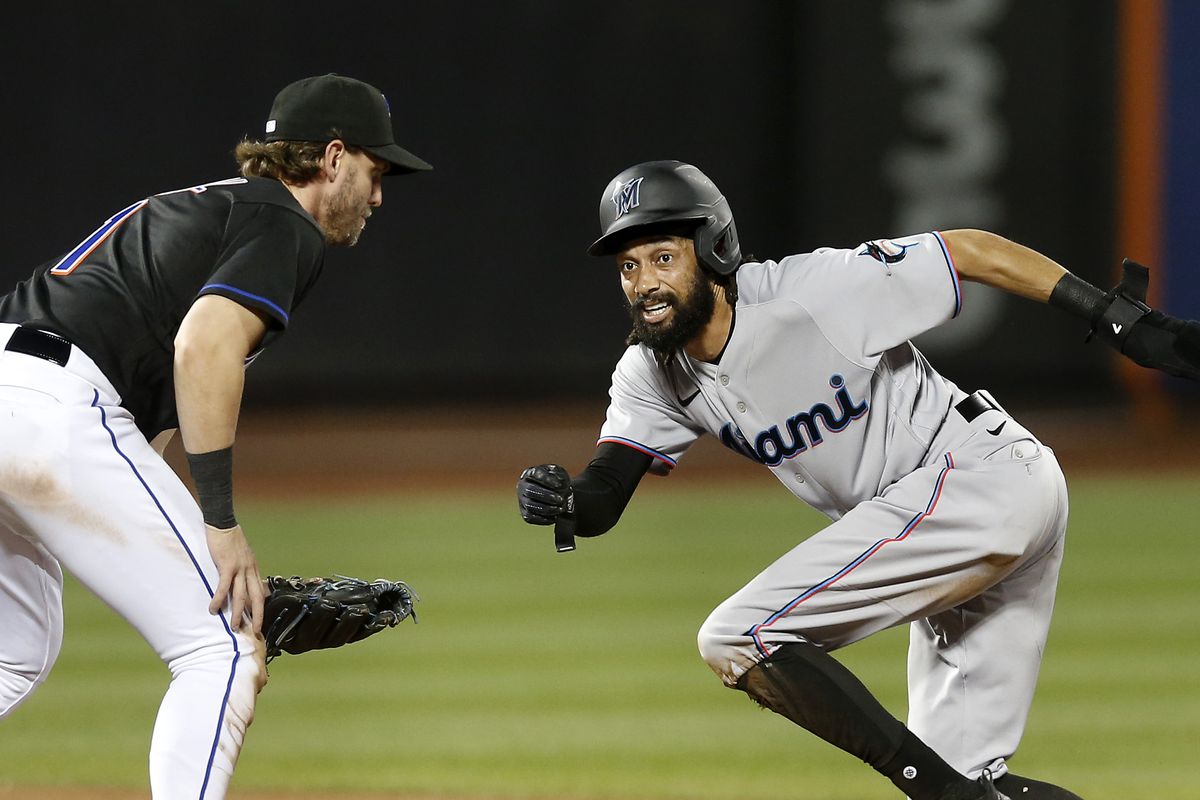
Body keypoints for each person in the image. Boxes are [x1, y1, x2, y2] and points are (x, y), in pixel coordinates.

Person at [517, 160, 1199, 800]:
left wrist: (1113, 316)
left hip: (978, 478)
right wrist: (569, 499)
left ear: (716, 250)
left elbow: (968, 251)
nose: (644, 282)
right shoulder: (653, 371)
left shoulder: (812, 292)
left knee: (738, 636)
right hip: (953, 513)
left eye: (664, 257)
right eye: (629, 266)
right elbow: (607, 489)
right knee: (970, 777)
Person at [0, 73, 430, 798]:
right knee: (224, 650)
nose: (379, 194)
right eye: (373, 169)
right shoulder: (284, 225)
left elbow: (146, 428)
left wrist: (182, 556)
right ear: (331, 158)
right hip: (54, 407)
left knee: (15, 650)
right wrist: (222, 528)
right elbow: (202, 350)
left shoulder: (210, 209)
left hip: (22, 385)